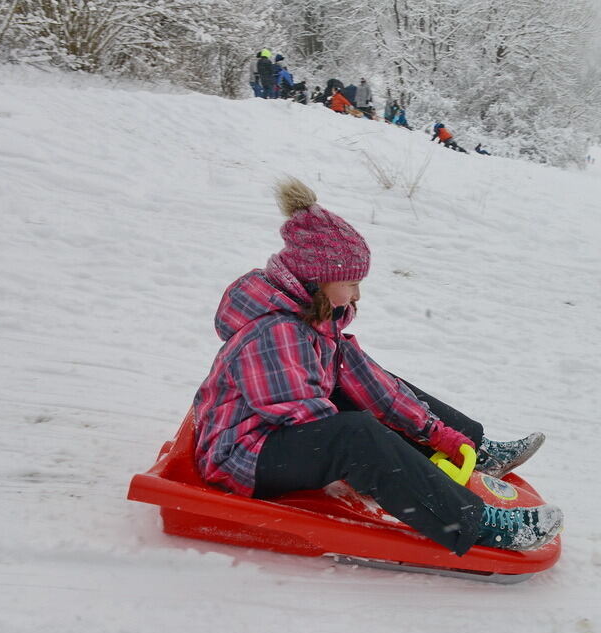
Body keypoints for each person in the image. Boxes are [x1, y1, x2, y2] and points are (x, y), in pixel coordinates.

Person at [191, 179, 563, 555]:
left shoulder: (316, 317)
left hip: (275, 433)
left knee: (367, 391)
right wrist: (380, 449)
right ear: (318, 281)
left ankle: (477, 450)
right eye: (350, 283)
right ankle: (475, 523)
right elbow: (306, 418)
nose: (356, 295)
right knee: (356, 435)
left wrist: (438, 433)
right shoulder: (276, 331)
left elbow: (373, 385)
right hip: (242, 456)